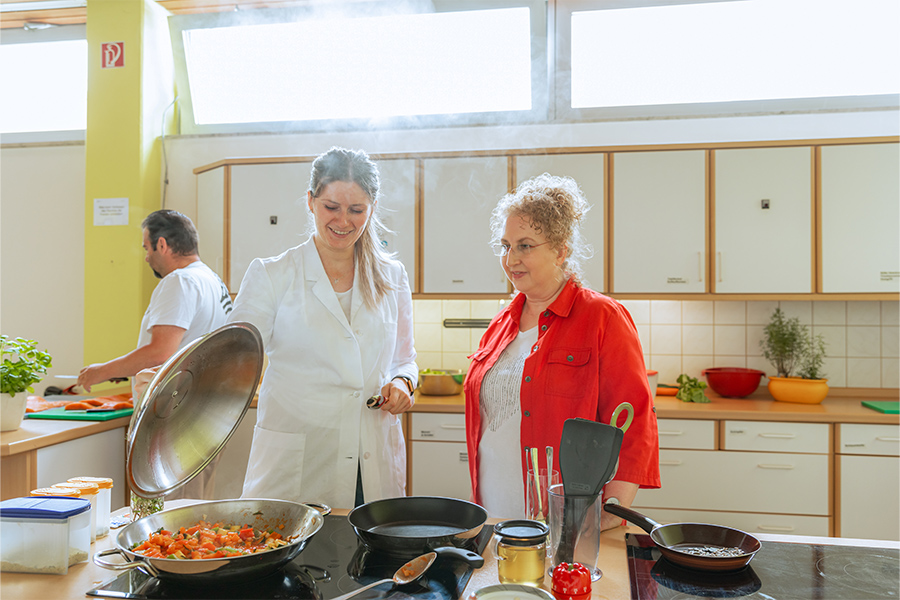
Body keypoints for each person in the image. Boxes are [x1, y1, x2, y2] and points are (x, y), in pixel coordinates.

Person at [464, 173, 660, 530]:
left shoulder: (602, 317)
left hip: (569, 518)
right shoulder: (500, 325)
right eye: (505, 246)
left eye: (525, 245)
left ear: (561, 249)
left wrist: (608, 513)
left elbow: (635, 419)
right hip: (494, 512)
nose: (511, 259)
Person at [227, 147, 417, 509]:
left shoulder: (392, 277)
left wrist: (403, 382)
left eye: (356, 210)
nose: (343, 221)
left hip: (371, 458)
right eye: (331, 207)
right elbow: (233, 360)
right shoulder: (272, 274)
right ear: (311, 202)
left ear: (371, 209)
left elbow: (405, 359)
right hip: (300, 462)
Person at [78, 209, 233, 499]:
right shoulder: (213, 281)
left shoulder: (179, 281)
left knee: (167, 518)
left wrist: (101, 371)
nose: (147, 257)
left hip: (176, 420)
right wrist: (128, 368)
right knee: (192, 511)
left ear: (162, 244)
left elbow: (160, 351)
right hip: (204, 416)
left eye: (147, 248)